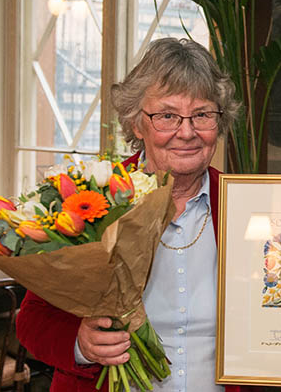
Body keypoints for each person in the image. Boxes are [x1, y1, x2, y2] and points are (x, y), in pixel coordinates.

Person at [16, 38, 252, 392]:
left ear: (220, 123)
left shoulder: (250, 207)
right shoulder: (90, 201)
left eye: (202, 114)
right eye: (167, 115)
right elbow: (32, 321)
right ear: (136, 123)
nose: (186, 132)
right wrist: (81, 344)